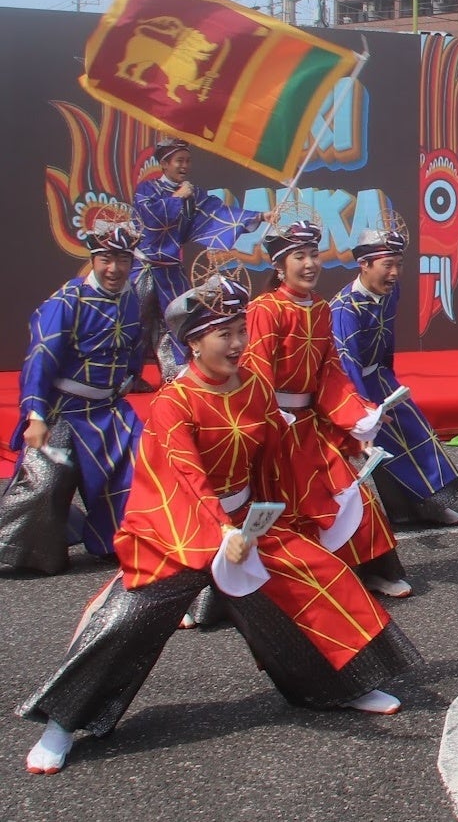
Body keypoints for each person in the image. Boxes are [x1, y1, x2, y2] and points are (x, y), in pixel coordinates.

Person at [18, 273, 419, 776]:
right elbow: (184, 476)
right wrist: (221, 532)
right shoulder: (174, 403)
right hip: (178, 528)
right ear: (192, 343)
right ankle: (62, 723)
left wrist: (339, 458)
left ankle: (338, 685)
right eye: (222, 334)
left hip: (246, 520)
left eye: (239, 330)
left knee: (315, 577)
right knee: (128, 619)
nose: (236, 343)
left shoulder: (254, 387)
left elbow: (279, 452)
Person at [243, 220, 409, 597]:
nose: (309, 264)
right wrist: (270, 418)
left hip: (308, 426)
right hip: (273, 427)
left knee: (350, 493)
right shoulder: (266, 309)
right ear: (279, 266)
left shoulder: (319, 308)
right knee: (278, 508)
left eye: (313, 255)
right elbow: (255, 370)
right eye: (299, 256)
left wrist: (359, 415)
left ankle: (371, 570)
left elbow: (329, 372)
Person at [0, 210, 145, 575]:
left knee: (139, 471)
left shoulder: (132, 297)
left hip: (110, 410)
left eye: (123, 259)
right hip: (64, 411)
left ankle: (119, 542)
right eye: (106, 259)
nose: (114, 268)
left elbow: (134, 343)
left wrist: (130, 376)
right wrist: (35, 416)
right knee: (43, 485)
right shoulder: (67, 301)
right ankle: (26, 552)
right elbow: (41, 356)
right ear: (93, 259)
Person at [331, 221, 458, 526]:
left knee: (418, 432)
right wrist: (363, 411)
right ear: (364, 265)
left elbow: (387, 338)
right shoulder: (345, 308)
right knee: (384, 446)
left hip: (380, 377)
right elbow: (347, 362)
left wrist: (389, 377)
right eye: (387, 265)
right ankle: (406, 510)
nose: (394, 272)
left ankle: (431, 504)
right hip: (353, 387)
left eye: (399, 264)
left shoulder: (391, 292)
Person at [132, 138, 272, 380]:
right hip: (143, 266)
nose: (184, 166)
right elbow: (151, 218)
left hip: (170, 269)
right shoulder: (147, 190)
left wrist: (259, 216)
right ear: (164, 163)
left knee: (176, 320)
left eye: (187, 160)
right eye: (179, 161)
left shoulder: (193, 194)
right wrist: (177, 198)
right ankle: (129, 376)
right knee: (135, 320)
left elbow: (219, 213)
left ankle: (175, 375)